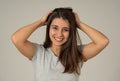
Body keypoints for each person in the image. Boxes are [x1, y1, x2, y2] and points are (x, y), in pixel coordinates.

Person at [11, 7, 109, 81]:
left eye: (65, 29)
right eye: (55, 28)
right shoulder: (38, 53)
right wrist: (40, 22)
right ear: (48, 28)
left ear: (71, 32)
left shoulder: (77, 54)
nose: (59, 34)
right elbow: (16, 39)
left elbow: (103, 41)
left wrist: (79, 24)